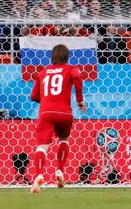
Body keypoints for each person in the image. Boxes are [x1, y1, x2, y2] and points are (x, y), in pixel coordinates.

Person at [30, 44, 86, 193]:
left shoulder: (43, 72)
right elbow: (77, 77)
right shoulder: (71, 69)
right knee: (63, 139)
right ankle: (60, 171)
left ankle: (38, 176)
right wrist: (80, 100)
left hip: (46, 113)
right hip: (64, 113)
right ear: (67, 57)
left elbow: (34, 96)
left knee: (42, 146)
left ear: (52, 57)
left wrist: (48, 99)